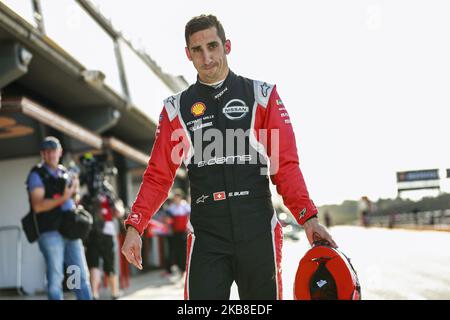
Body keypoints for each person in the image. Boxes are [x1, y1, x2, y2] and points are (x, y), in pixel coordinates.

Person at [122, 14, 336, 300]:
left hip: (258, 231)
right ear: (188, 54)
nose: (207, 57)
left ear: (227, 46)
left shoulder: (262, 96)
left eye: (213, 46)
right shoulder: (176, 110)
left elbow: (284, 165)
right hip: (208, 235)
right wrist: (136, 225)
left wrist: (308, 218)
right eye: (197, 50)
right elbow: (159, 175)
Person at [26, 136, 92, 300]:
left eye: (53, 151)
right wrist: (64, 197)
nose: (51, 155)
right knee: (56, 278)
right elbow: (38, 205)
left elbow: (72, 200)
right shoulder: (37, 174)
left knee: (78, 275)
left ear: (60, 152)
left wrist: (74, 190)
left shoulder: (65, 172)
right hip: (50, 232)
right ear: (42, 154)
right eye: (47, 152)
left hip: (70, 230)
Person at [165, 189, 191, 278]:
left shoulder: (186, 206)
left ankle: (185, 268)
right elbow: (167, 220)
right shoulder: (171, 208)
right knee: (174, 250)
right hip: (174, 232)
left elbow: (189, 217)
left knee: (183, 250)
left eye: (178, 197)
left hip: (184, 231)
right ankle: (175, 268)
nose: (176, 199)